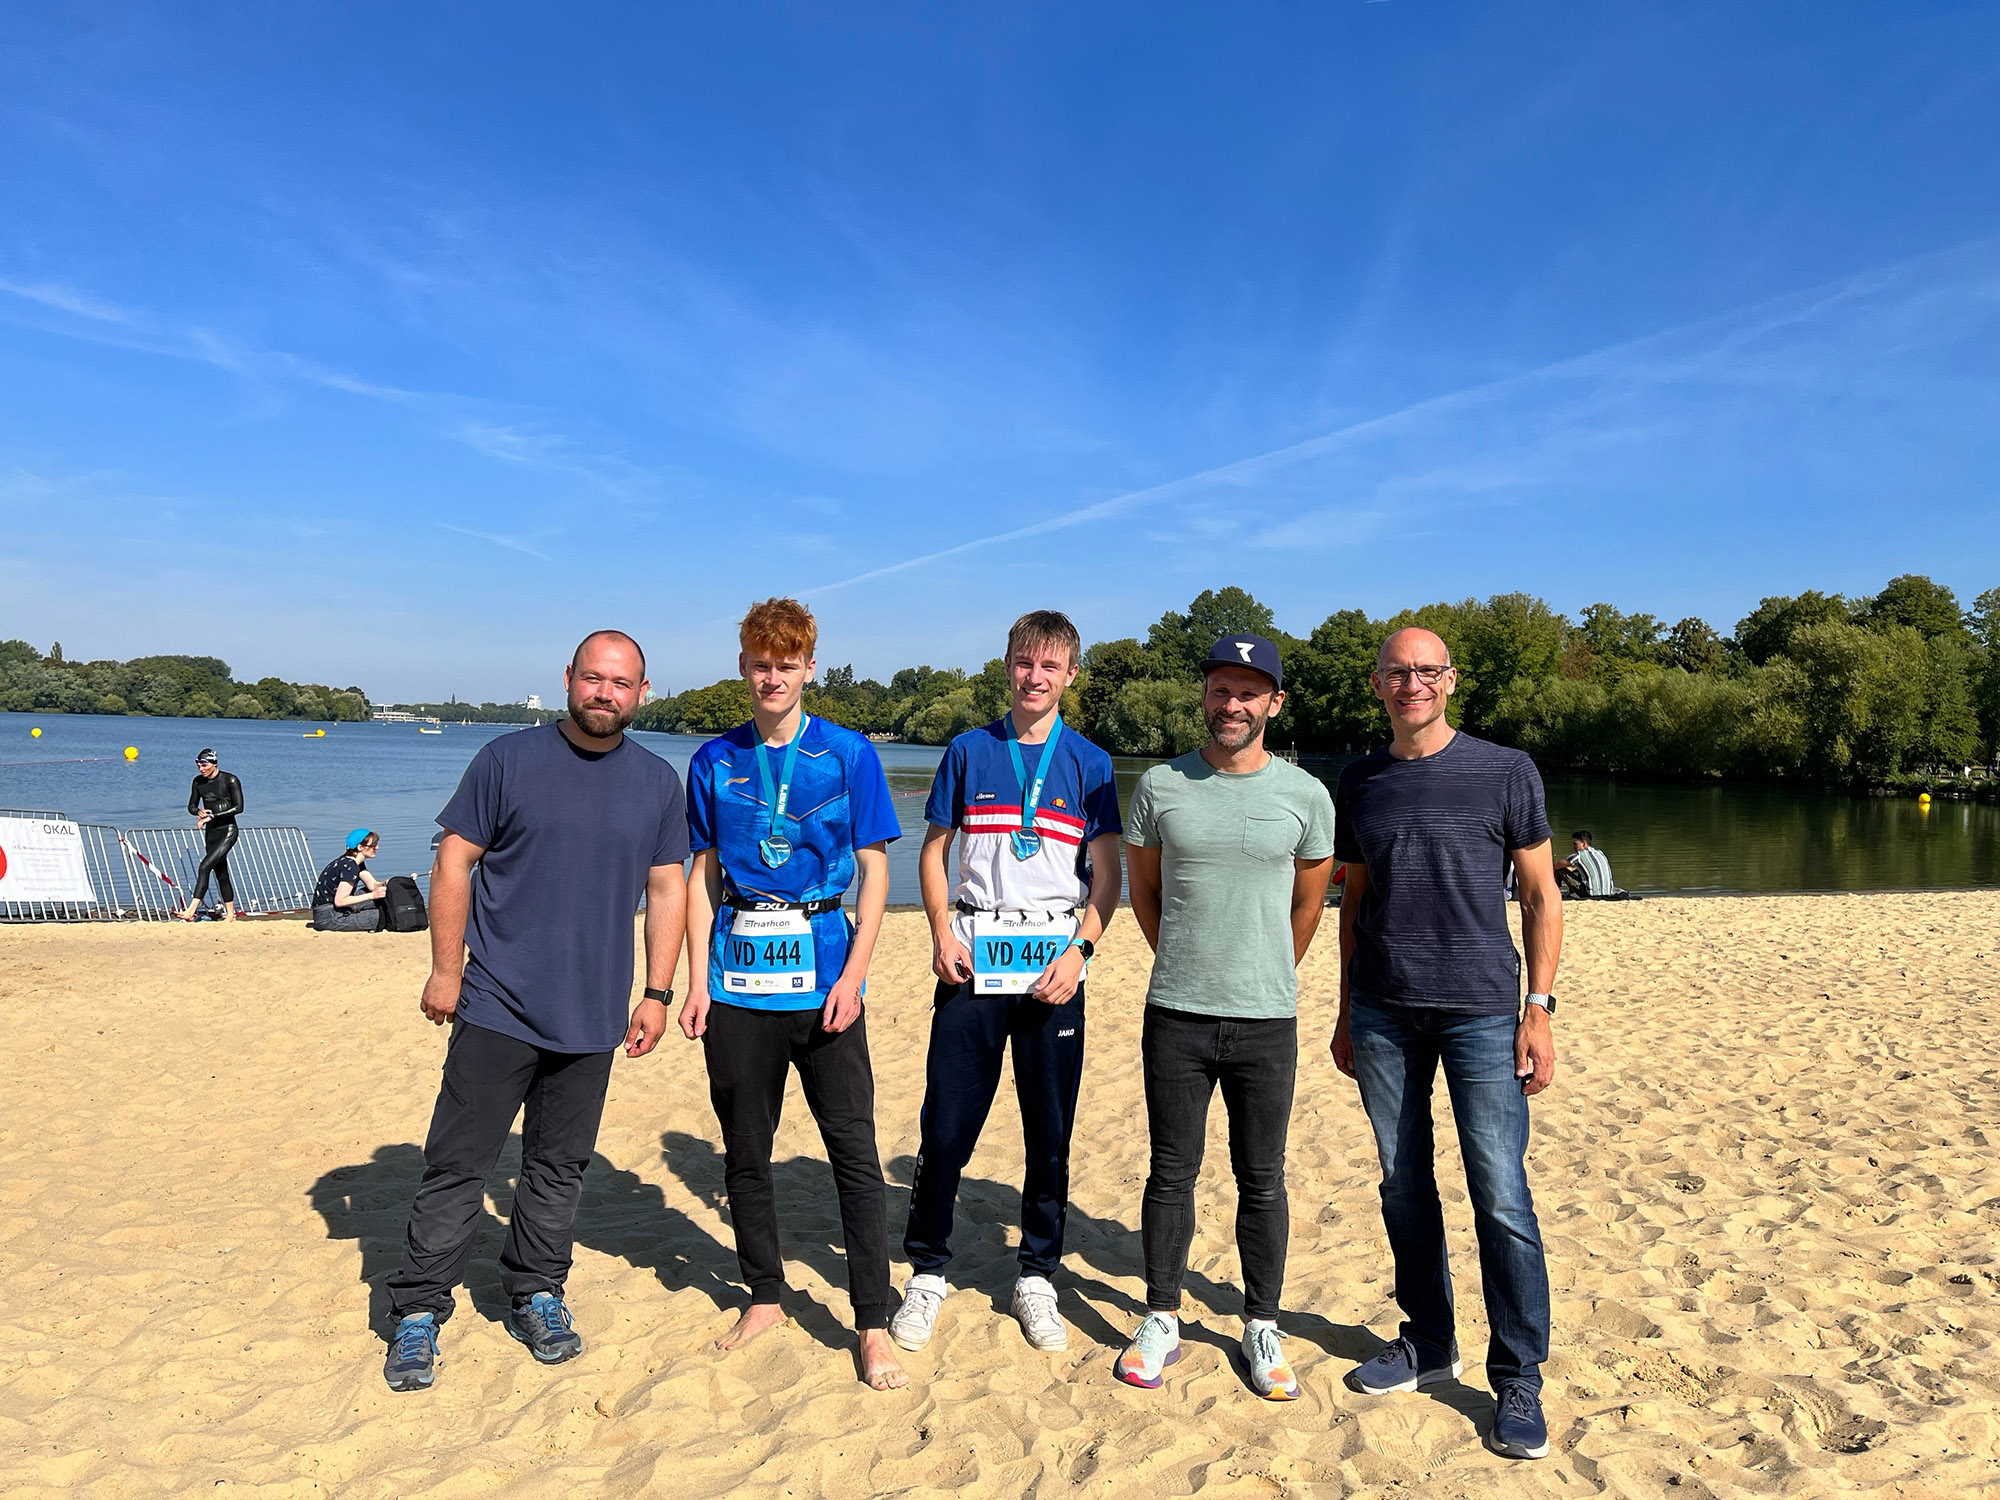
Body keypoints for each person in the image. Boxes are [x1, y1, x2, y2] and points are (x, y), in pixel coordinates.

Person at [381, 630, 689, 1394]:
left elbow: (666, 890)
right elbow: (453, 859)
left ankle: (536, 1292)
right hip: (496, 1002)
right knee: (459, 1164)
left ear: (642, 693)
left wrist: (657, 993)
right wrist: (445, 971)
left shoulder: (657, 783)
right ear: (568, 678)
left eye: (621, 683)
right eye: (593, 678)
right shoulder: (507, 760)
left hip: (594, 1014)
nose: (605, 693)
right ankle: (418, 1309)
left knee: (558, 1167)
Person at [1330, 627, 1563, 1462]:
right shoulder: (1360, 779)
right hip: (1383, 1008)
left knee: (1500, 1193)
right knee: (1403, 1183)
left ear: (1451, 681)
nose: (1413, 684)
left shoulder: (1506, 770)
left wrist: (1539, 1009)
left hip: (1483, 1011)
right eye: (1398, 672)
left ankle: (1518, 1376)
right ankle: (1429, 1340)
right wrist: (1345, 1008)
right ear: (1378, 684)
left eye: (1427, 671)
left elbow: (1540, 896)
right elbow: (1354, 903)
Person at [677, 599, 907, 1391]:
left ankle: (871, 1323)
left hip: (825, 976)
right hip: (737, 981)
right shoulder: (713, 760)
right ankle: (765, 1296)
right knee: (746, 1149)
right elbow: (702, 877)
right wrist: (696, 980)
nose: (771, 678)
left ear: (810, 667)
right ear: (743, 667)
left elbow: (875, 871)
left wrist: (855, 976)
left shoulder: (847, 754)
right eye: (760, 664)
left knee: (854, 1153)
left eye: (786, 665)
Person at [889, 610, 1122, 1357]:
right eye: (1024, 662)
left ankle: (1037, 1275)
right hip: (974, 953)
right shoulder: (968, 750)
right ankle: (928, 1271)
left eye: (1050, 666)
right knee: (945, 1127)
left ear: (1070, 676)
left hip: (1054, 962)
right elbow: (933, 852)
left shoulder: (1092, 763)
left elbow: (1107, 877)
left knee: (1049, 1133)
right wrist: (938, 930)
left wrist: (1082, 952)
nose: (1034, 677)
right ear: (1008, 665)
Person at [1116, 633, 1335, 1400]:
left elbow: (1310, 903)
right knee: (1170, 1172)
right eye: (1220, 689)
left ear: (1274, 702)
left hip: (1267, 1019)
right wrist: (1188, 961)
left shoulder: (1306, 796)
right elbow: (1145, 893)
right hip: (1175, 1012)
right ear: (1204, 696)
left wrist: (1264, 968)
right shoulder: (1160, 786)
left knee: (1262, 1178)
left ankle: (1261, 1324)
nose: (1232, 704)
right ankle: (1161, 1316)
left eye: (1248, 692)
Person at [178, 749, 243, 921]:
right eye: (199, 765)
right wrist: (198, 812)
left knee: (204, 866)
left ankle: (190, 910)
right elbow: (191, 806)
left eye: (204, 765)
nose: (201, 769)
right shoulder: (198, 782)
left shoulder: (230, 780)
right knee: (221, 872)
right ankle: (231, 914)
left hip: (228, 830)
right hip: (211, 832)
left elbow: (239, 807)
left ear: (214, 764)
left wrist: (213, 816)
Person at [311, 828, 387, 931]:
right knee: (384, 916)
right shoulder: (350, 867)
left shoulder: (353, 862)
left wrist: (388, 884)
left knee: (378, 896)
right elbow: (340, 901)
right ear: (360, 847)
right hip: (329, 915)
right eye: (373, 845)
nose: (377, 847)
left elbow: (372, 885)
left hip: (329, 910)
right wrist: (372, 895)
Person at [1554, 830, 1618, 899]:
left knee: (1560, 870)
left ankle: (1552, 892)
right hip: (1608, 893)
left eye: (1575, 844)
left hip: (1589, 895)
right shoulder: (1600, 853)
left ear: (1584, 844)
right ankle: (1569, 892)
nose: (1573, 847)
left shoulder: (1578, 856)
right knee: (1580, 871)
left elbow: (1556, 866)